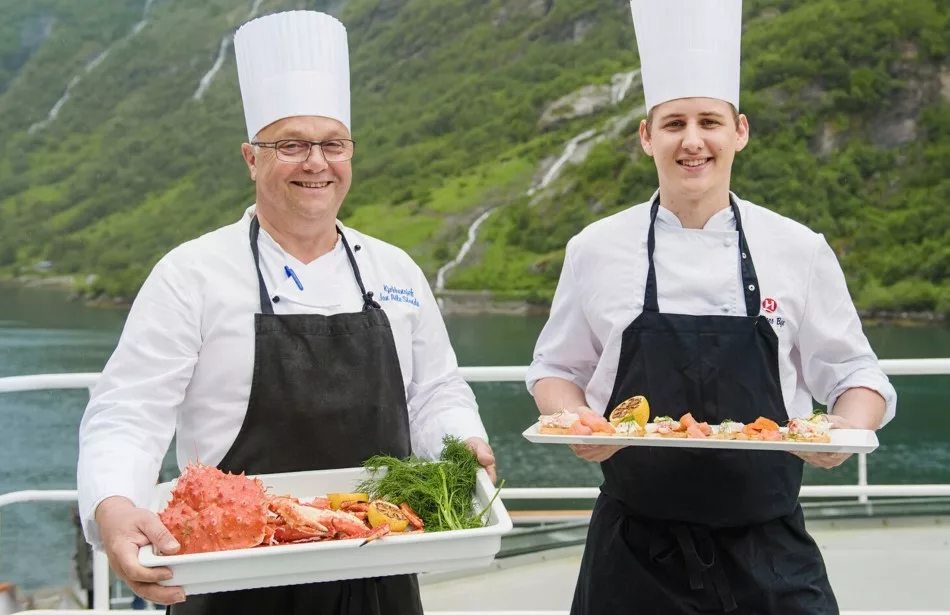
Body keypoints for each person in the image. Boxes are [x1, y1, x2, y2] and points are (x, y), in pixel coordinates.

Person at [76, 10, 495, 615]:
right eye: (291, 144)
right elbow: (129, 411)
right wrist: (114, 505)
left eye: (333, 143)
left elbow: (435, 391)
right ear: (251, 157)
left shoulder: (395, 271)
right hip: (231, 576)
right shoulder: (191, 273)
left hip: (378, 564)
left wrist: (466, 447)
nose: (317, 162)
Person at [525, 1, 897, 613]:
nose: (691, 141)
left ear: (739, 131)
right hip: (634, 551)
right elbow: (555, 372)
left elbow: (858, 375)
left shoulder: (798, 248)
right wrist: (574, 421)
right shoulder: (595, 248)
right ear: (647, 136)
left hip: (770, 552)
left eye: (709, 122)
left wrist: (846, 428)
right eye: (673, 124)